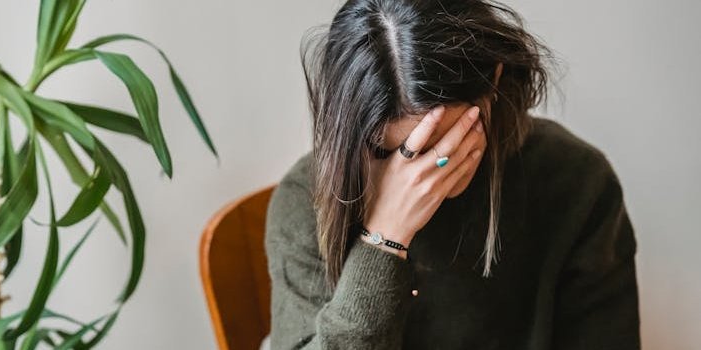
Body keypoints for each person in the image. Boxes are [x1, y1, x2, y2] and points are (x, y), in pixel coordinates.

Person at [264, 0, 640, 349]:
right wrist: (384, 241)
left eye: (444, 143)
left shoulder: (576, 181)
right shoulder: (305, 202)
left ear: (494, 79)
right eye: (388, 151)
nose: (418, 176)